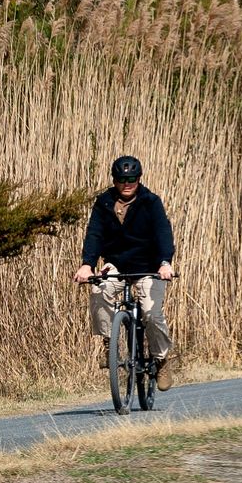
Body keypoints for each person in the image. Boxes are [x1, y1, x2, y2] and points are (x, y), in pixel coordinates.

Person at [73, 155, 175, 389]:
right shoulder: (104, 203)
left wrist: (165, 262)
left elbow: (163, 234)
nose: (126, 183)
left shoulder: (151, 202)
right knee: (100, 290)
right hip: (117, 265)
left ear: (139, 178)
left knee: (151, 313)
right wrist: (87, 264)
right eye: (121, 178)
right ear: (114, 180)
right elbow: (94, 235)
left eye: (131, 178)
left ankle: (160, 360)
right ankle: (110, 344)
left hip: (150, 267)